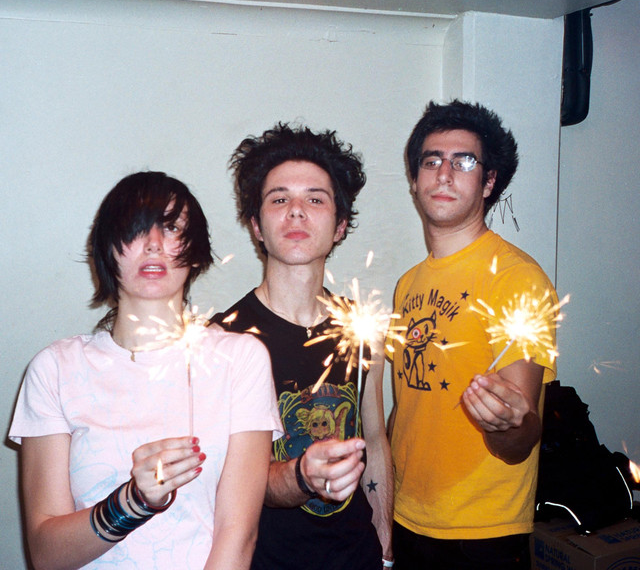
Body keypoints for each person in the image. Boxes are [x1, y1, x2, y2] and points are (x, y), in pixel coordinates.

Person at [9, 171, 282, 570]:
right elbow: (46, 554)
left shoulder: (239, 360)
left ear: (195, 252)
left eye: (171, 228)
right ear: (107, 250)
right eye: (136, 229)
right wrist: (133, 502)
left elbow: (238, 535)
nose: (154, 243)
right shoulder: (55, 368)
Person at [212, 123, 394, 569]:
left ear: (340, 226)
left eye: (315, 199)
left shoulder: (362, 328)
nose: (296, 212)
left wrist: (385, 544)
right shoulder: (221, 341)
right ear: (256, 226)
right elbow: (228, 479)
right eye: (279, 199)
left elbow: (373, 440)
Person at [386, 100, 558, 569]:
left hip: (482, 533)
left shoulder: (517, 279)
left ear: (488, 182)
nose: (444, 174)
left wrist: (508, 423)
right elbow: (407, 406)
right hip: (407, 518)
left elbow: (521, 437)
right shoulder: (408, 284)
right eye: (431, 161)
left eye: (463, 162)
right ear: (415, 180)